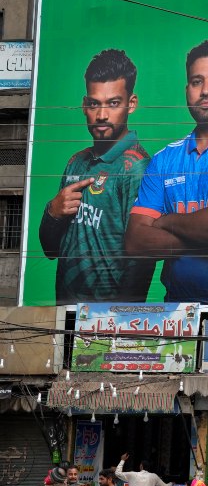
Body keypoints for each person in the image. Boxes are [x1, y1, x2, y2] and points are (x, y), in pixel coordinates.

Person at [125, 39, 208, 304]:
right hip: (175, 307)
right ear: (187, 89)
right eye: (197, 81)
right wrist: (206, 243)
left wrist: (167, 221)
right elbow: (136, 240)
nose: (206, 90)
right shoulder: (165, 159)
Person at [39, 49, 153, 304]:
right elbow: (50, 250)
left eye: (113, 103)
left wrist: (119, 326)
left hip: (108, 323)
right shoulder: (75, 162)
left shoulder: (137, 168)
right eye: (94, 103)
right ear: (84, 105)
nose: (102, 115)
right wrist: (52, 212)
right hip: (66, 313)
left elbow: (141, 265)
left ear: (131, 104)